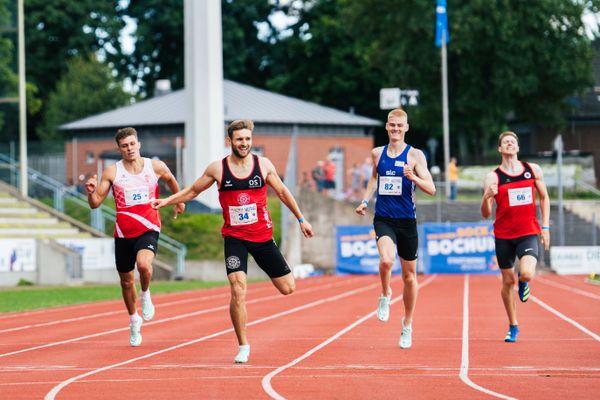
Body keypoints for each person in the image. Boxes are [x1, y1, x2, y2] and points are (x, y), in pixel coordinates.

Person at [152, 119, 314, 363]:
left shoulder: (263, 165)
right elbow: (193, 190)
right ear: (230, 142)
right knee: (238, 289)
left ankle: (245, 327)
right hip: (234, 237)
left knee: (288, 288)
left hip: (262, 238)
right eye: (239, 139)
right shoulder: (218, 169)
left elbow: (282, 191)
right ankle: (243, 345)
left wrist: (301, 218)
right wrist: (168, 200)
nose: (244, 143)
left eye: (248, 139)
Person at [85, 127, 185, 347]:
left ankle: (146, 293)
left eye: (132, 144)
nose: (129, 148)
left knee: (143, 265)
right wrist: (90, 191)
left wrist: (178, 201)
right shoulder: (112, 172)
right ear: (119, 149)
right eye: (124, 146)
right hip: (123, 233)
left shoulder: (155, 166)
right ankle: (133, 320)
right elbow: (95, 204)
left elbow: (170, 179)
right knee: (126, 281)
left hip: (149, 227)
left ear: (138, 144)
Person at [355, 108, 436, 349]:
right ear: (387, 127)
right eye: (392, 125)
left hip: (406, 221)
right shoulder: (377, 153)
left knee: (410, 277)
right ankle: (385, 293)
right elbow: (373, 178)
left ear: (406, 128)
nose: (396, 129)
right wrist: (364, 201)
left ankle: (407, 324)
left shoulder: (416, 156)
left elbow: (431, 188)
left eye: (400, 126)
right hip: (384, 218)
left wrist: (413, 178)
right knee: (387, 260)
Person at [480, 131, 550, 343]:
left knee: (526, 274)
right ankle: (513, 326)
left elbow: (544, 197)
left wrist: (545, 227)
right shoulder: (493, 177)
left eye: (513, 141)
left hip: (528, 231)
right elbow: (485, 213)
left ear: (518, 147)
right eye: (505, 142)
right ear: (500, 149)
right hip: (503, 235)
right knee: (507, 281)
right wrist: (487, 197)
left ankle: (524, 282)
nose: (509, 144)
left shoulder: (532, 170)